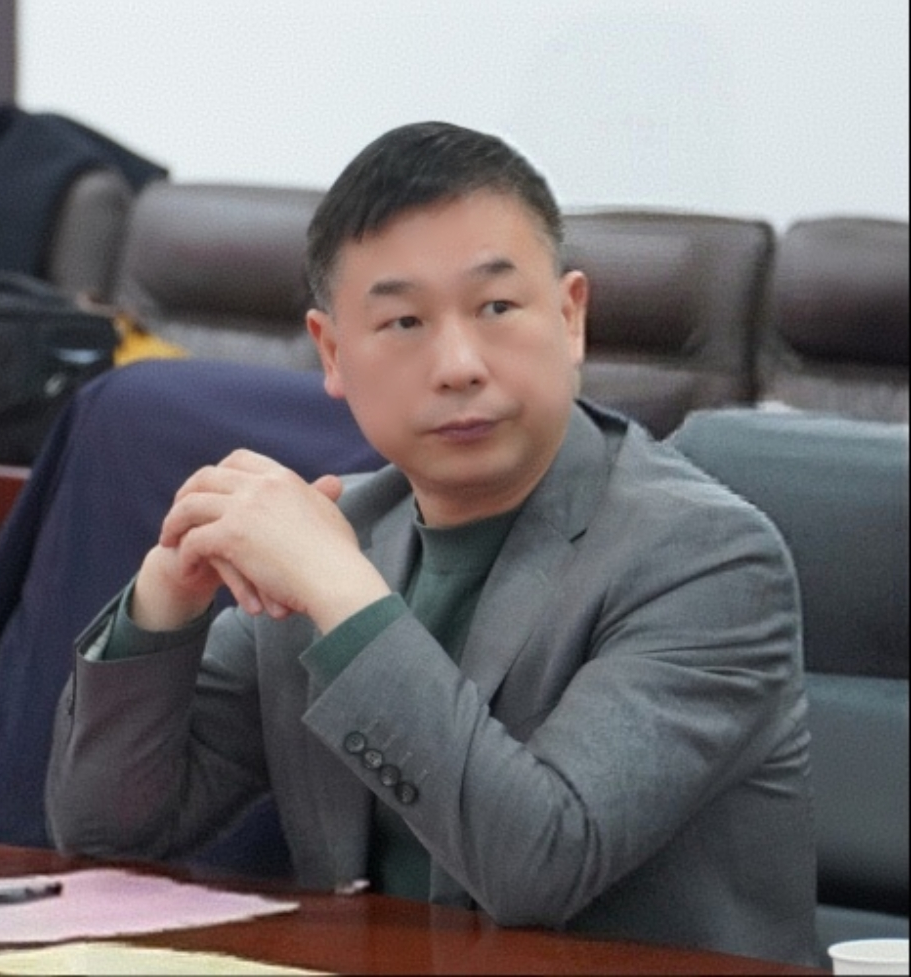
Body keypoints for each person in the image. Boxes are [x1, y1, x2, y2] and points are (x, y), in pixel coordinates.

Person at [46, 121, 817, 965]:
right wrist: (165, 597)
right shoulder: (348, 534)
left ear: (570, 318)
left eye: (497, 308)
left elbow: (541, 864)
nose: (458, 364)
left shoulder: (709, 558)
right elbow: (107, 832)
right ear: (333, 352)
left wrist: (344, 595)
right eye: (404, 321)